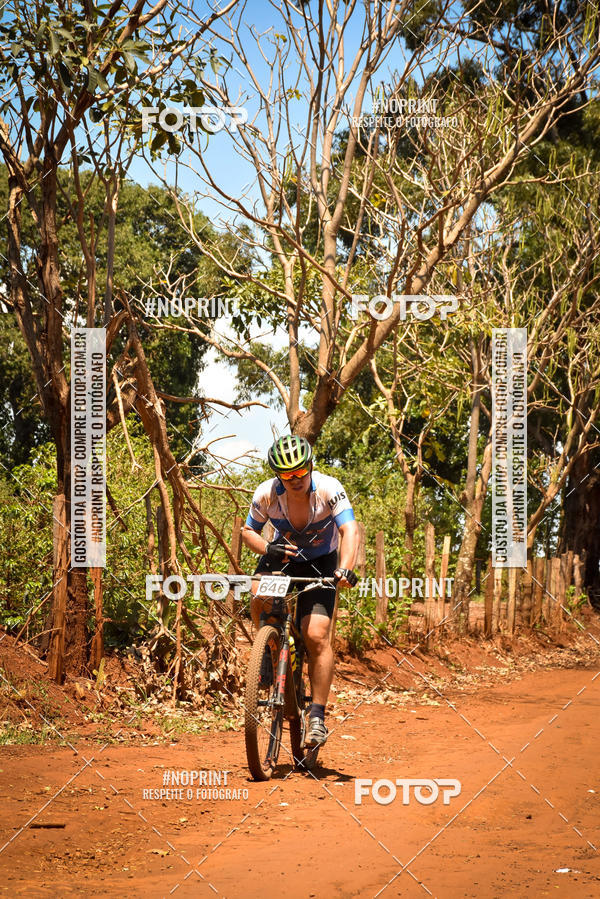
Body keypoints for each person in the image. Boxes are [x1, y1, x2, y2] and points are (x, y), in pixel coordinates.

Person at [242, 434, 359, 748]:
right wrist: (268, 546)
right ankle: (267, 649)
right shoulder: (266, 494)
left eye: (299, 472)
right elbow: (248, 532)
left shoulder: (328, 489)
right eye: (286, 474)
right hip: (283, 554)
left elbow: (350, 529)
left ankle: (318, 716)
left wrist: (345, 569)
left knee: (317, 634)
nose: (294, 479)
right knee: (257, 591)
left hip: (321, 563)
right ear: (277, 475)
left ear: (310, 466)